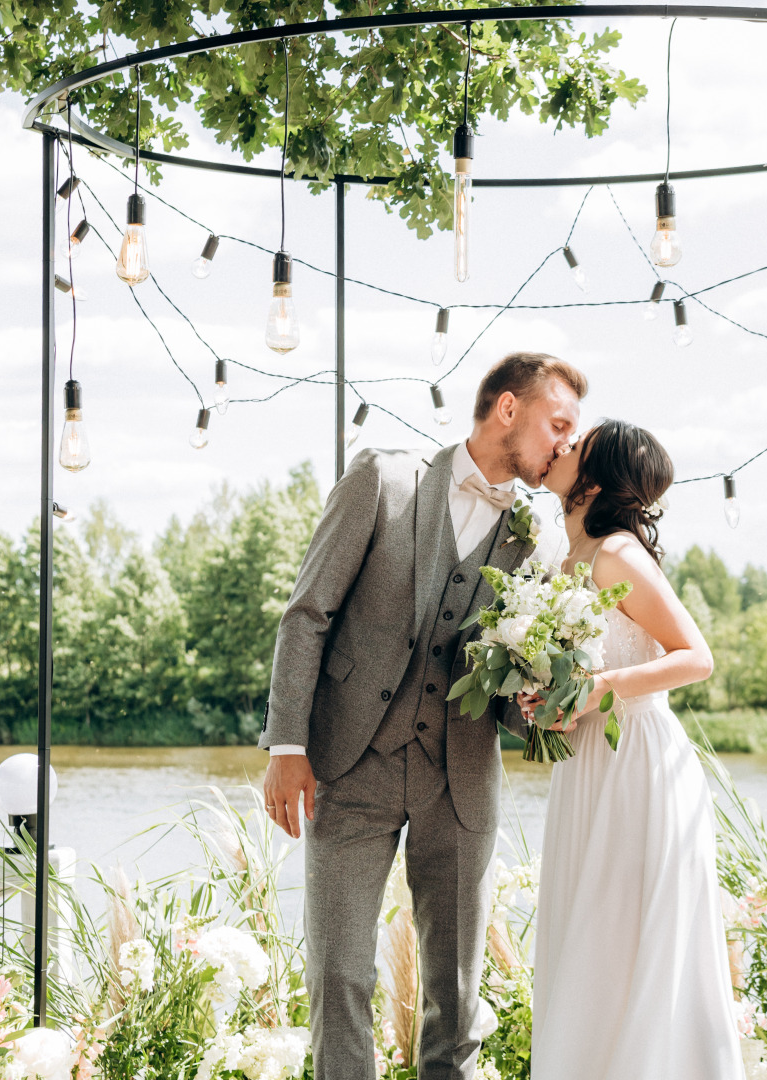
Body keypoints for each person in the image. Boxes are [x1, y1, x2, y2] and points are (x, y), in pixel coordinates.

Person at [259, 352, 585, 1080]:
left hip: (460, 782)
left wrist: (532, 707)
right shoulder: (384, 479)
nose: (564, 442)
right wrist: (286, 744)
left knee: (455, 991)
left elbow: (503, 686)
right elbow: (307, 615)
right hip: (348, 766)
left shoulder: (536, 532)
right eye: (556, 422)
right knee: (340, 973)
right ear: (508, 408)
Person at [523, 419, 745, 1080]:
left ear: (593, 478)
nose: (559, 445)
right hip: (587, 762)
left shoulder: (616, 552)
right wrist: (551, 700)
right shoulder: (566, 559)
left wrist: (597, 690)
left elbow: (694, 658)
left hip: (638, 763)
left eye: (576, 444)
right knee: (586, 943)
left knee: (627, 939)